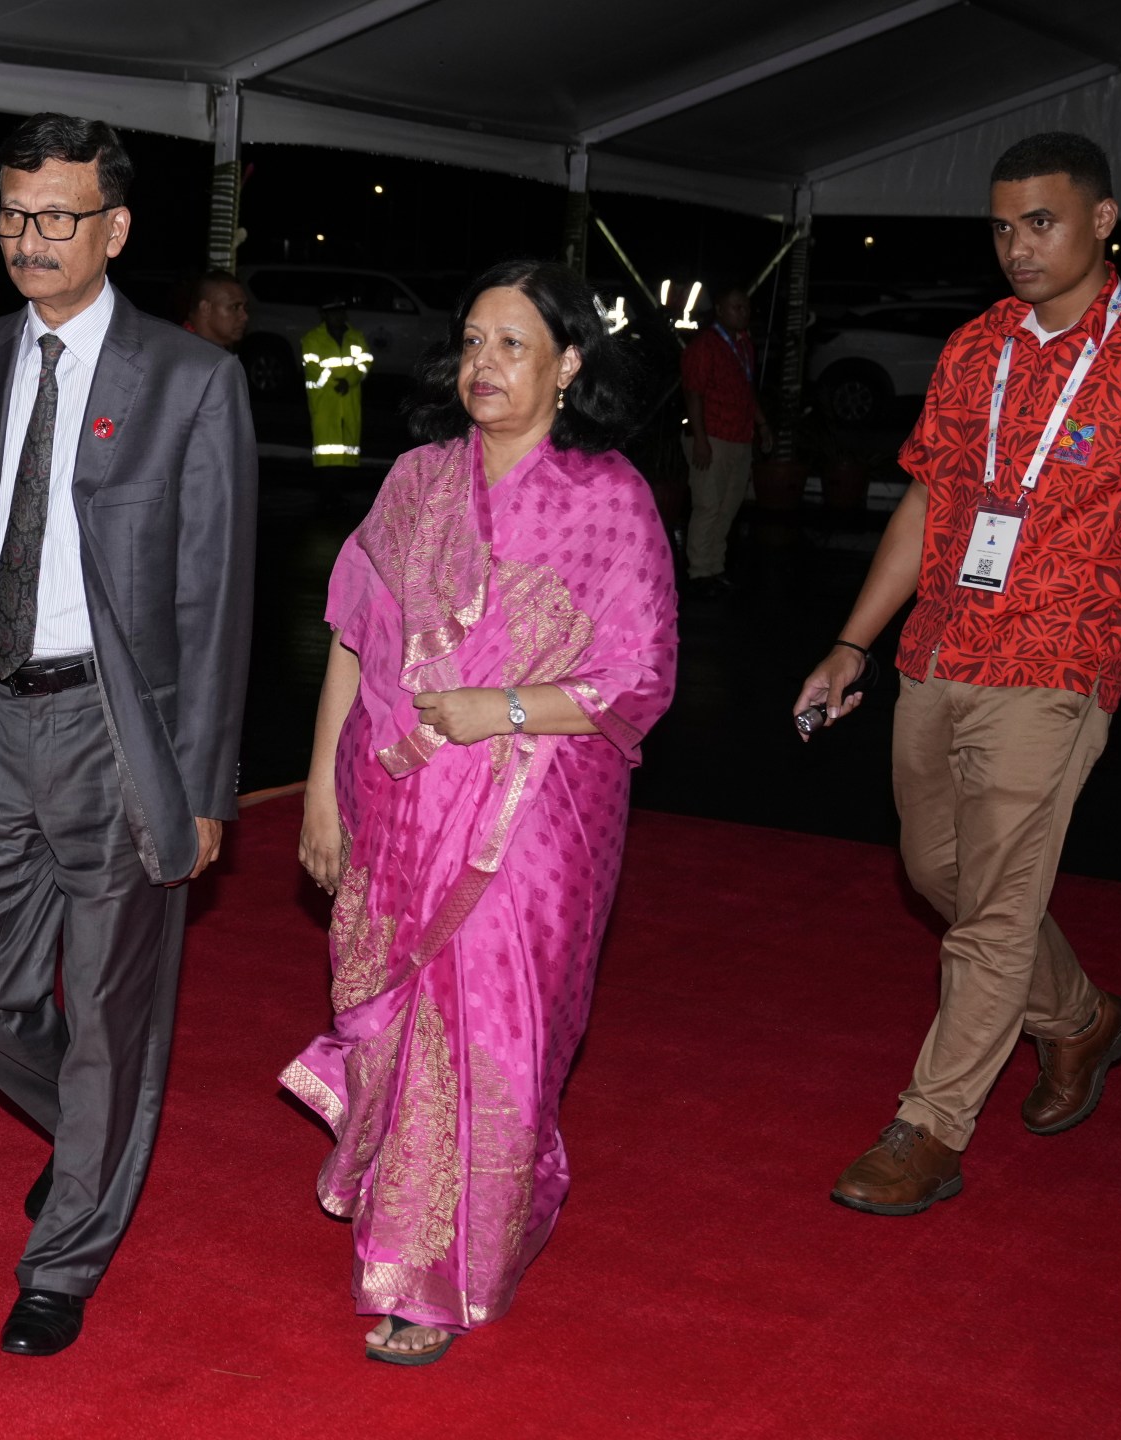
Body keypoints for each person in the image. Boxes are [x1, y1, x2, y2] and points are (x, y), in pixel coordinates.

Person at [794, 132, 1121, 1216]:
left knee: (993, 914)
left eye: (1040, 222)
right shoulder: (973, 350)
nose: (1017, 247)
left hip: (1059, 665)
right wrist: (853, 640)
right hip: (938, 652)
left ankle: (930, 1128)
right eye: (1001, 226)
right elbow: (925, 505)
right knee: (937, 875)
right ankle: (1082, 1019)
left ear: (1102, 220)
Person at [0, 113, 256, 1357]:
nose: (27, 238)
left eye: (55, 216)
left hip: (123, 736)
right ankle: (94, 1142)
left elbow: (216, 601)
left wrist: (207, 781)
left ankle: (64, 1258)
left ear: (112, 228)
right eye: (11, 213)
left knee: (113, 1016)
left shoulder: (191, 381)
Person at [290, 259, 676, 1366]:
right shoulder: (415, 480)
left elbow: (639, 677)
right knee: (411, 1029)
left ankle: (441, 1273)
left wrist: (496, 707)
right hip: (400, 807)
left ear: (568, 366)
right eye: (470, 341)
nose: (483, 365)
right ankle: (409, 1225)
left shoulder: (609, 500)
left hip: (535, 820)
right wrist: (320, 789)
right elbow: (356, 643)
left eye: (511, 344)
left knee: (490, 1032)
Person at [679, 283, 770, 597]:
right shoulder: (706, 345)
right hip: (713, 436)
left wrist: (762, 425)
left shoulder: (744, 343)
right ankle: (698, 572)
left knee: (728, 507)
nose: (742, 313)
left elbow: (747, 389)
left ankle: (714, 568)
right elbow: (693, 394)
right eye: (736, 307)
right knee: (708, 505)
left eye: (745, 307)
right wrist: (701, 440)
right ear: (720, 310)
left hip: (739, 435)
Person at [303, 298, 370, 466]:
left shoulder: (356, 337)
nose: (339, 316)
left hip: (350, 401)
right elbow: (312, 368)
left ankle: (345, 482)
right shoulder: (312, 339)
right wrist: (337, 383)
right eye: (334, 313)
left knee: (349, 446)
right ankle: (327, 486)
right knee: (325, 447)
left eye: (341, 312)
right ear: (324, 315)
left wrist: (349, 381)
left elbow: (365, 363)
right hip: (324, 402)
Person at [180, 267, 250, 351]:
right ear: (206, 309)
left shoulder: (203, 349)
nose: (245, 316)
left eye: (245, 307)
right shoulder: (188, 354)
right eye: (235, 307)